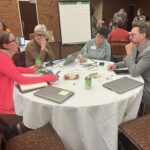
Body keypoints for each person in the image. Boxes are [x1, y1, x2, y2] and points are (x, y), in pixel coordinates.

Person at [0, 32, 57, 114]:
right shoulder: (2, 58)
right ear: (5, 45)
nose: (17, 42)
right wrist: (47, 78)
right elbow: (21, 79)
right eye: (14, 40)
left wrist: (31, 70)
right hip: (4, 94)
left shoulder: (3, 55)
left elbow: (12, 69)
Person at [107, 24, 150, 114]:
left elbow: (134, 72)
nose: (130, 37)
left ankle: (130, 117)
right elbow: (130, 62)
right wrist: (117, 65)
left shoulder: (148, 52)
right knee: (112, 85)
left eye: (133, 35)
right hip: (138, 79)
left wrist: (129, 54)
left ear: (143, 35)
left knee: (118, 91)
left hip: (146, 87)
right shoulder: (137, 45)